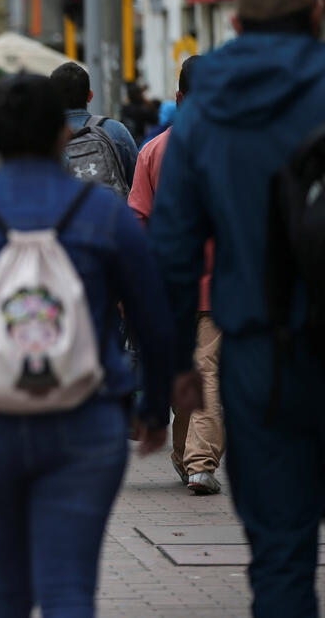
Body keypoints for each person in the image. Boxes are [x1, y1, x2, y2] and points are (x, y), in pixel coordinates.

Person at [0, 73, 174, 617]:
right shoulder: (106, 215)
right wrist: (154, 406)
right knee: (70, 589)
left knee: (4, 590)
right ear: (60, 136)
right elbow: (154, 320)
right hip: (88, 423)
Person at [150, 0, 325, 615]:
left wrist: (166, 372)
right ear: (315, 11)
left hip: (262, 356)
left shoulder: (207, 108)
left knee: (281, 555)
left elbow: (171, 251)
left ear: (235, 21)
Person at [127, 55, 225, 497]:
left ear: (179, 98)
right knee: (206, 371)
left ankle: (195, 460)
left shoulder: (154, 150)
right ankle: (195, 460)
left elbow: (138, 222)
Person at [50, 62, 139, 188]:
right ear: (90, 96)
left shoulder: (45, 138)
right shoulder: (116, 130)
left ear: (53, 99)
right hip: (110, 207)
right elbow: (138, 185)